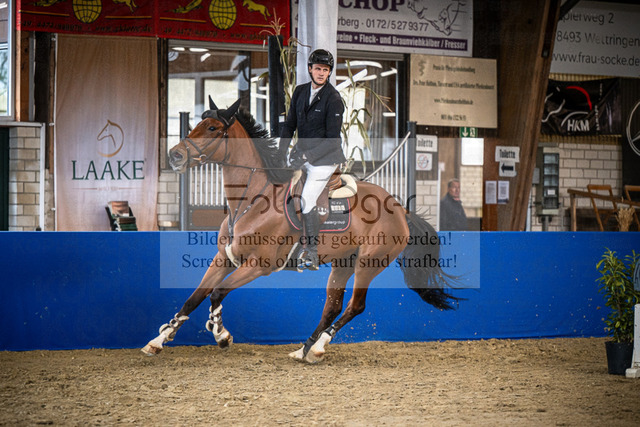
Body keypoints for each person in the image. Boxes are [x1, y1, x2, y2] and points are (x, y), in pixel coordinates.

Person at [279, 49, 346, 270]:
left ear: (329, 72)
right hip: (302, 155)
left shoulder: (334, 99)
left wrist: (307, 156)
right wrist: (281, 154)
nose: (321, 73)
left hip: (325, 160)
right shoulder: (300, 91)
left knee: (307, 198)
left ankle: (311, 252)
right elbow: (289, 125)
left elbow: (333, 140)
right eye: (318, 68)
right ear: (310, 69)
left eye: (325, 70)